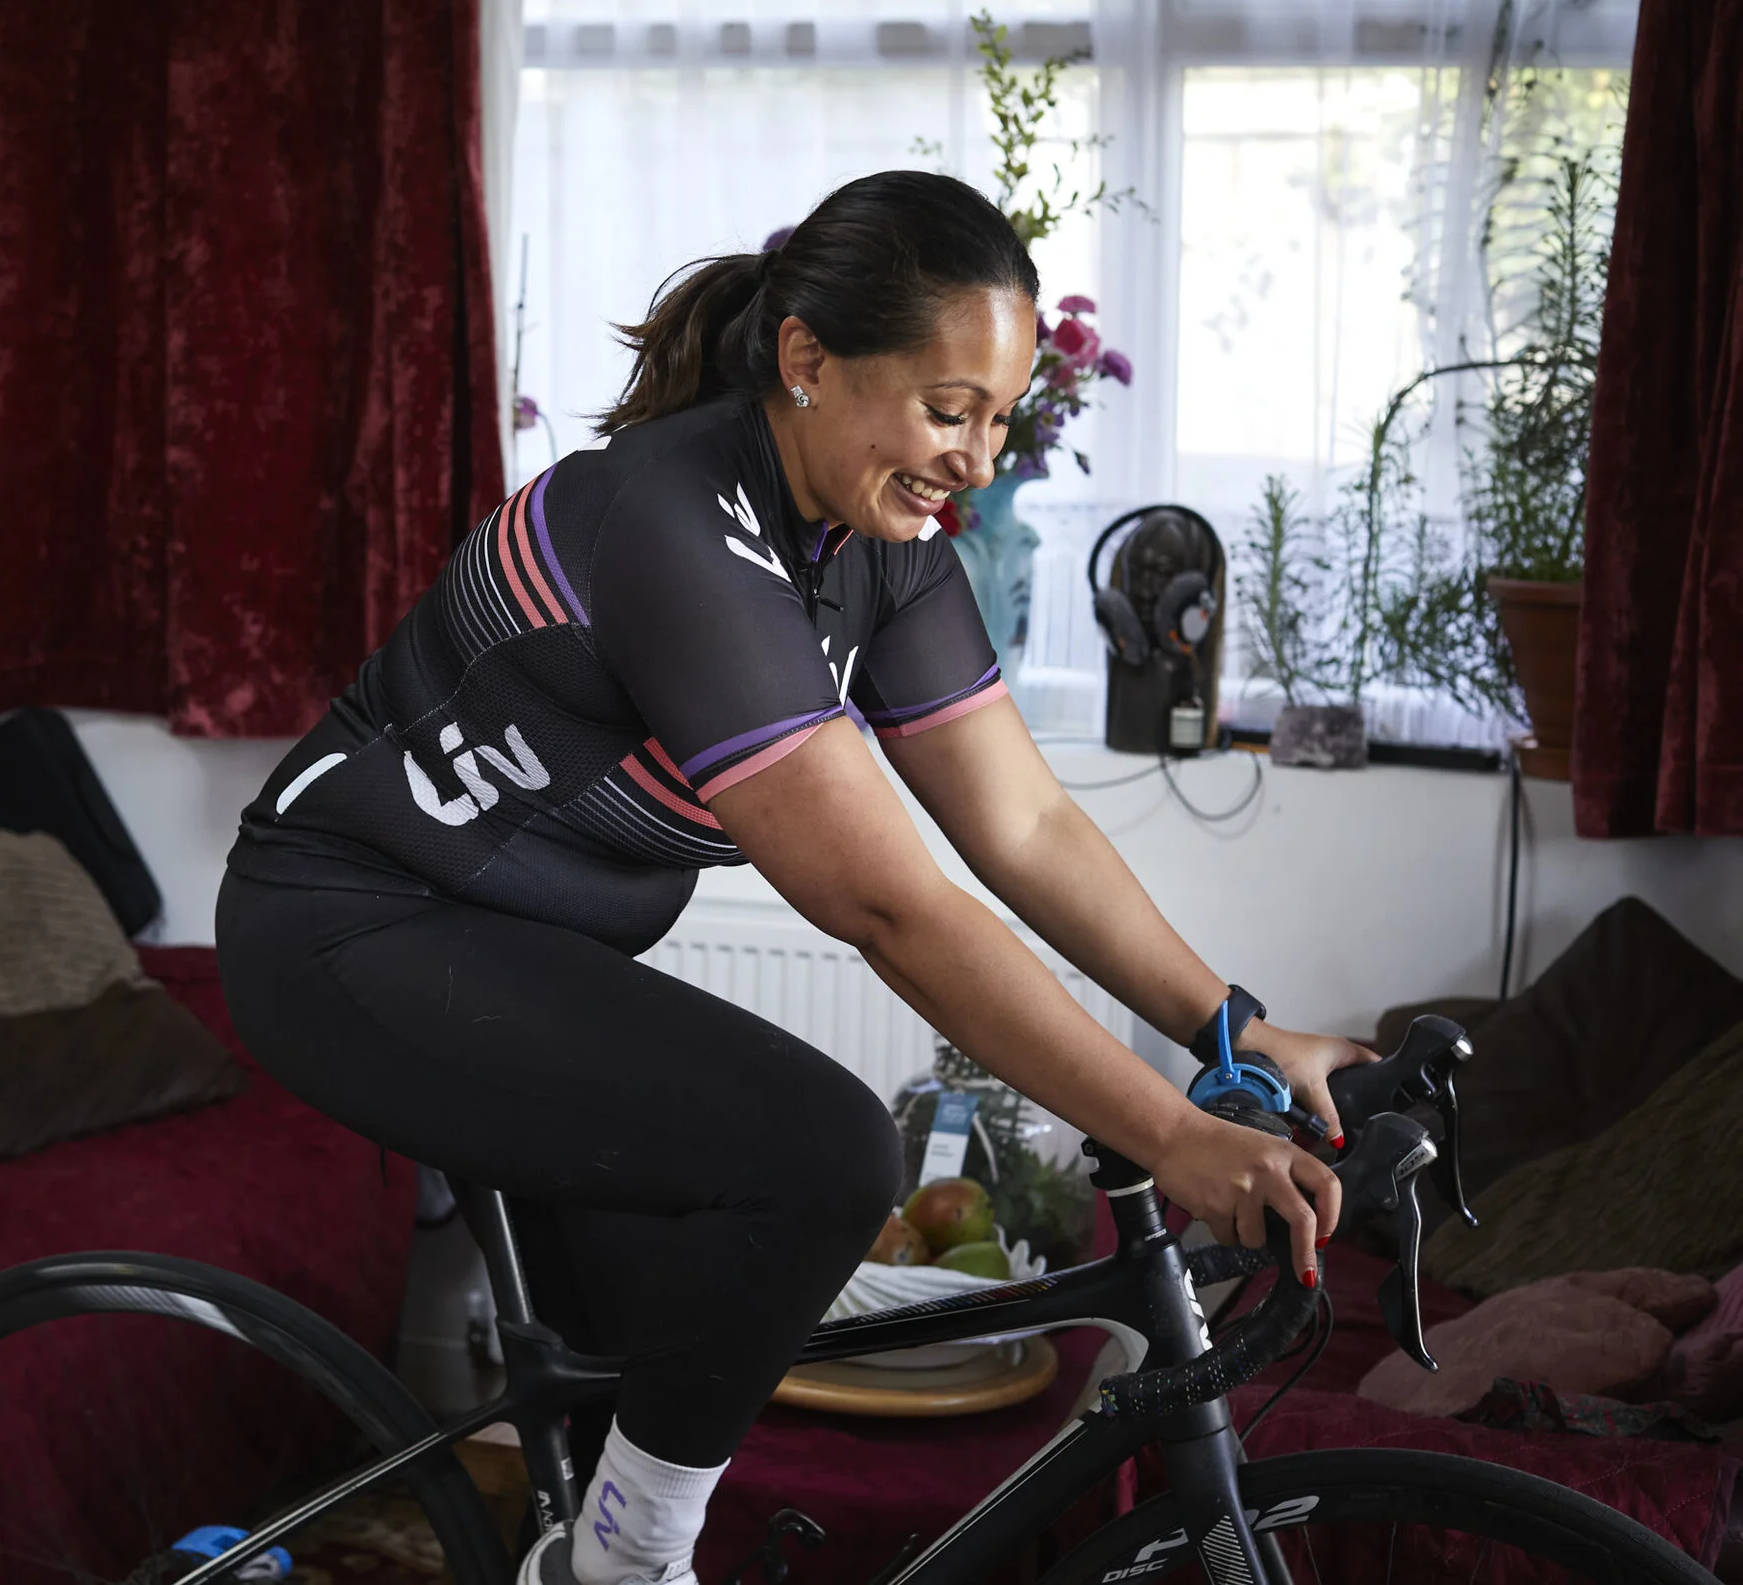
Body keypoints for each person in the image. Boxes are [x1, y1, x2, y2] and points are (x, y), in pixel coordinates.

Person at [216, 170, 1369, 1585]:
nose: (980, 460)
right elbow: (889, 902)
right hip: (349, 929)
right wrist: (1173, 1135)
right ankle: (622, 1567)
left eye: (1000, 418)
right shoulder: (672, 520)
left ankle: (576, 1550)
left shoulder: (880, 547)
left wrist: (1228, 1029)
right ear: (809, 360)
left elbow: (1022, 828)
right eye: (951, 410)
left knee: (680, 1351)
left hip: (524, 954)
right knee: (827, 1155)